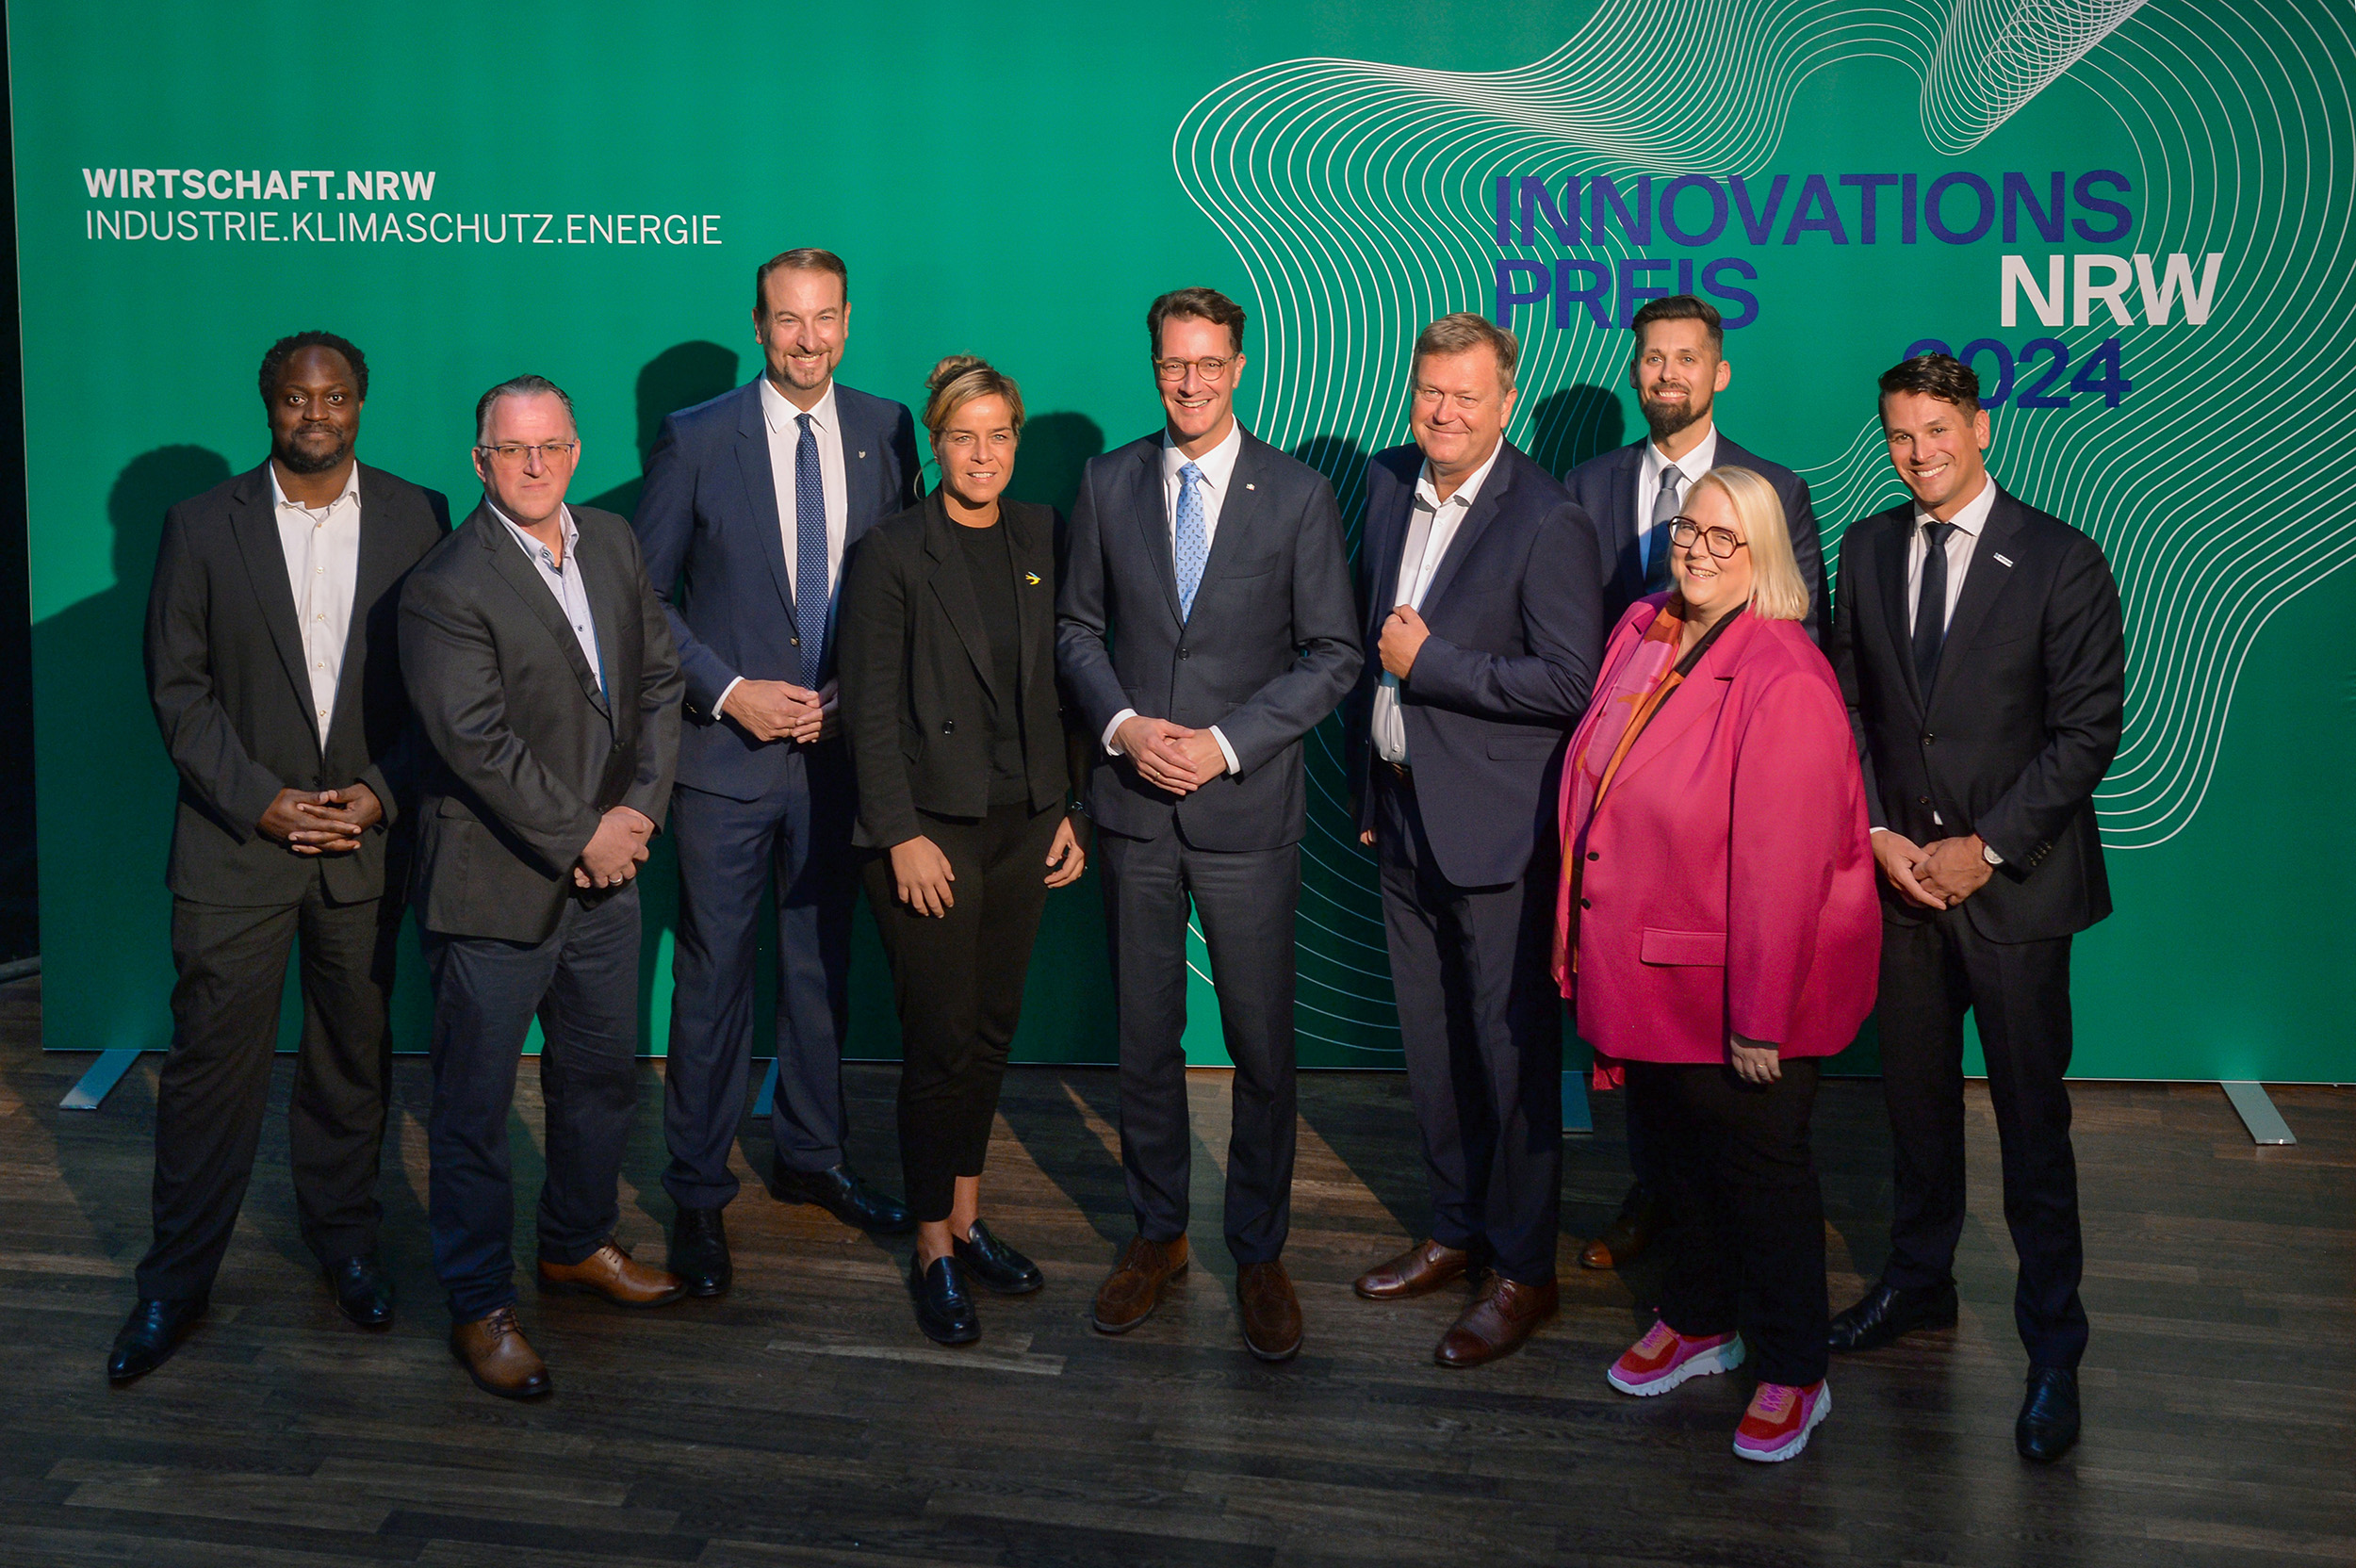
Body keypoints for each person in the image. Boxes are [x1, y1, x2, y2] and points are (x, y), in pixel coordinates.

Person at [113, 333, 450, 1384]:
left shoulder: (420, 515)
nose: (316, 413)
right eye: (298, 397)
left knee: (352, 1062)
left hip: (361, 842)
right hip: (234, 852)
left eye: (335, 396)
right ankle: (175, 1282)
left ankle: (347, 1247)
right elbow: (178, 689)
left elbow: (441, 686)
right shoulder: (199, 524)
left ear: (361, 404)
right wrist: (260, 802)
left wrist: (380, 792)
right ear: (268, 404)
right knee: (211, 1074)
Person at [1825, 352, 2125, 1463]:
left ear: (1980, 427)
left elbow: (2086, 731)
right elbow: (1846, 704)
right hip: (1901, 886)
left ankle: (2052, 1350)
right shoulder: (1865, 548)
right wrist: (1876, 833)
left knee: (2031, 1130)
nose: (1919, 453)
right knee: (1913, 1110)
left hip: (2013, 895)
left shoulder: (2058, 556)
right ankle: (1919, 1282)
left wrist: (1984, 848)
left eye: (1938, 429)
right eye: (1900, 434)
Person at [1056, 286, 1361, 1362]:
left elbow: (1335, 653)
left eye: (1208, 363)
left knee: (1262, 1045)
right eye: (1173, 364)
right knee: (1144, 1041)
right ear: (1155, 367)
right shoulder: (1105, 482)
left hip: (1246, 809)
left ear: (1238, 367)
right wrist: (1126, 726)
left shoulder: (1299, 494)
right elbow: (1077, 629)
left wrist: (1226, 742)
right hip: (1134, 808)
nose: (1190, 382)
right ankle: (1159, 1234)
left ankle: (1259, 1251)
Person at [1558, 465, 1878, 1463]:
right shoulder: (1644, 627)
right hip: (1649, 973)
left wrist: (1758, 1016)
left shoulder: (1787, 677)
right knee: (1675, 1165)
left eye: (1722, 538)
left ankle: (1794, 1367)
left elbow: (1784, 868)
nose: (1696, 551)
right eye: (1686, 530)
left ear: (1764, 554)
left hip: (1737, 990)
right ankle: (1698, 1316)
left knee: (1760, 1182)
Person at [633, 247, 924, 1296]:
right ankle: (697, 1193)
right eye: (788, 320)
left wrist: (862, 686)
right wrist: (726, 691)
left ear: (847, 322)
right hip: (725, 759)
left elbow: (908, 583)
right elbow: (640, 595)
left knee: (818, 968)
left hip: (841, 758)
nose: (808, 340)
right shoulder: (696, 436)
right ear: (758, 325)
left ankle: (812, 1156)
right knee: (713, 978)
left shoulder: (889, 427)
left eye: (825, 319)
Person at [400, 376, 687, 1399]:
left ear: (575, 451)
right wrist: (584, 835)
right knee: (474, 1110)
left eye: (551, 446)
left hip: (611, 874)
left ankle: (575, 1243)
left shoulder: (610, 539)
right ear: (479, 461)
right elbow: (474, 742)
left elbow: (659, 683)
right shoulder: (445, 583)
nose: (534, 465)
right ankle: (480, 1304)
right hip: (494, 886)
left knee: (601, 1077)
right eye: (512, 449)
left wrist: (636, 818)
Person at [1340, 314, 1602, 1366]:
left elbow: (1570, 681)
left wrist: (1434, 663)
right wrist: (1375, 777)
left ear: (1505, 401)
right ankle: (1456, 1229)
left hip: (1496, 834)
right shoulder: (1383, 484)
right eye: (1429, 392)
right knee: (1433, 1047)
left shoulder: (1547, 516)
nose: (1443, 412)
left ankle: (1524, 1269)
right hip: (1402, 812)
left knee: (1507, 1056)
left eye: (1466, 395)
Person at [1562, 294, 1830, 1278]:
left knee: (1738, 1128)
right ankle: (1661, 1215)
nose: (1666, 374)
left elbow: (1796, 645)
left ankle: (1732, 1291)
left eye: (1685, 358)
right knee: (1651, 1068)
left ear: (1719, 373)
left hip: (1714, 829)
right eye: (1651, 358)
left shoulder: (1773, 491)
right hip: (1627, 825)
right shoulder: (1585, 485)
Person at [836, 356, 1089, 1344]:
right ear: (935, 444)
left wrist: (1064, 804)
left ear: (1015, 439)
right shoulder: (892, 551)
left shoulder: (1041, 533)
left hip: (1023, 822)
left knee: (989, 1031)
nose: (983, 454)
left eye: (999, 435)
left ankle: (969, 1217)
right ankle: (932, 1243)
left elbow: (1062, 685)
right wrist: (899, 833)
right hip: (929, 830)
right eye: (963, 436)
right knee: (939, 1042)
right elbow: (867, 708)